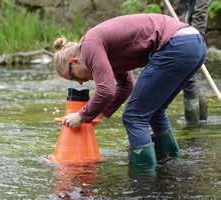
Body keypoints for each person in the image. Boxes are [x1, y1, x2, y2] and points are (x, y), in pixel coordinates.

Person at [53, 13, 206, 170]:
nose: (79, 82)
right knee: (155, 111)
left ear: (74, 61)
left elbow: (106, 90)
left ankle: (143, 179)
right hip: (194, 43)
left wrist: (82, 115)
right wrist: (99, 113)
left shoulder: (90, 45)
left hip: (176, 44)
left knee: (134, 117)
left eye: (72, 77)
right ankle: (171, 165)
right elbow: (126, 85)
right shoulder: (103, 51)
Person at [166, 0, 210, 124]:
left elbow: (200, 15)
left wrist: (195, 42)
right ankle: (196, 125)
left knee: (191, 78)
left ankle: (195, 125)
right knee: (190, 78)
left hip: (191, 40)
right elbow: (176, 13)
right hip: (177, 31)